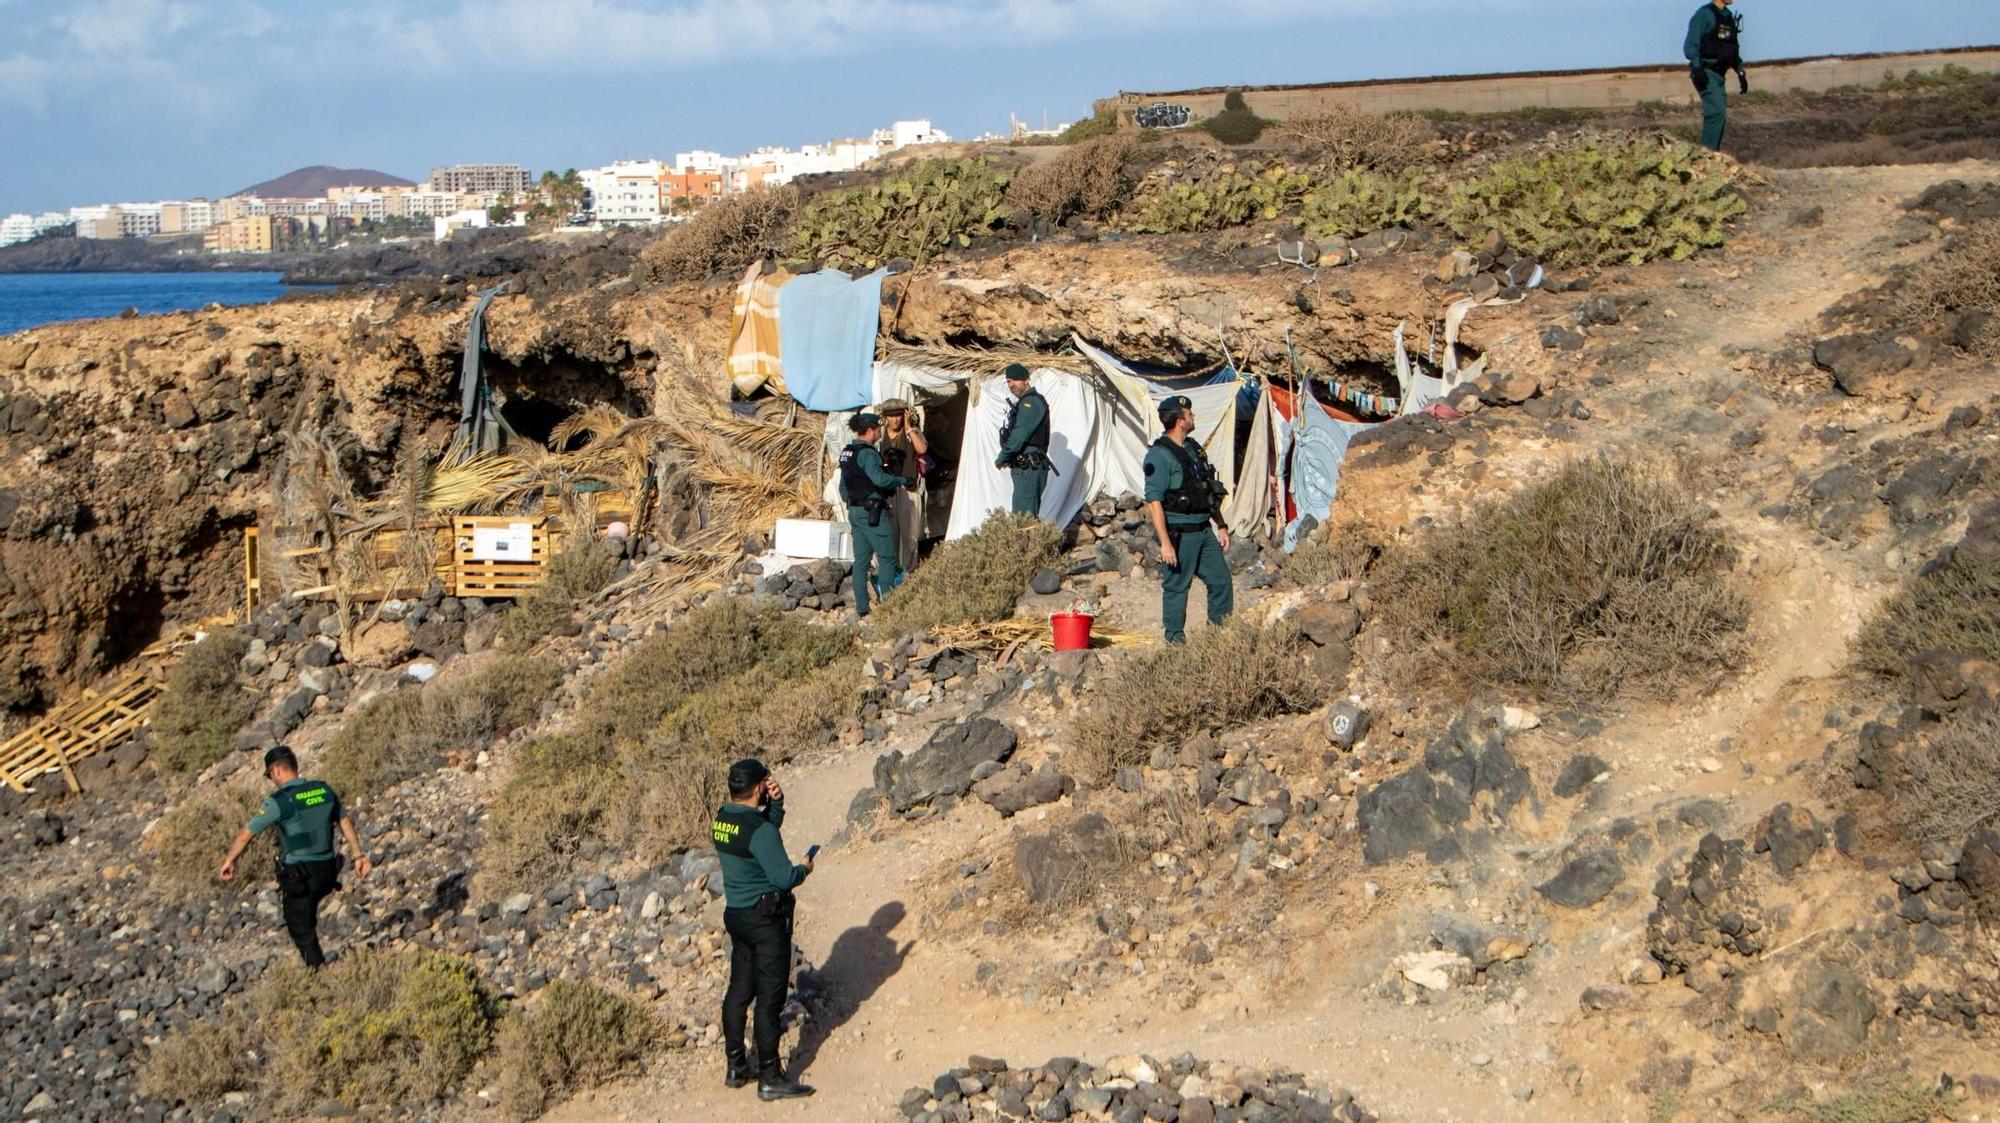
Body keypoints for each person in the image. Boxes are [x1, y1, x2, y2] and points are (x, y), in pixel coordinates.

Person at [712, 758, 815, 1101]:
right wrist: (804, 868)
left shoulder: (722, 820)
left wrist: (776, 805)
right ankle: (770, 1076)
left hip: (737, 916)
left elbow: (757, 838)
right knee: (770, 1001)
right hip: (765, 920)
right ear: (757, 787)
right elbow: (783, 876)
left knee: (739, 991)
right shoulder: (760, 830)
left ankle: (735, 1066)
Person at [217, 746, 373, 967]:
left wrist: (230, 860)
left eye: (270, 775)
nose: (272, 780)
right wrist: (358, 855)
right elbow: (344, 821)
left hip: (301, 876)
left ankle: (321, 979)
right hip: (329, 870)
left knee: (300, 928)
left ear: (277, 771)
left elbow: (246, 834)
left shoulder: (280, 801)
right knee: (308, 919)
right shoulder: (323, 790)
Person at [1143, 394, 1235, 644]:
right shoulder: (1159, 455)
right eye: (1189, 414)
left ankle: (1219, 637)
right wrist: (1165, 543)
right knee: (1177, 587)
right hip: (1179, 533)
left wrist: (1222, 524)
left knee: (1221, 581)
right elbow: (1155, 502)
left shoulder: (1193, 448)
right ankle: (1175, 640)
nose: (1193, 416)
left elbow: (1206, 489)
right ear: (1179, 420)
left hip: (1204, 529)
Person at [838, 412, 915, 617]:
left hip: (855, 511)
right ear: (870, 430)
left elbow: (843, 487)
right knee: (887, 558)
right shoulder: (868, 453)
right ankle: (889, 608)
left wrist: (853, 504)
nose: (881, 432)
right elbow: (879, 479)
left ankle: (862, 608)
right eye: (879, 429)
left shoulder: (847, 452)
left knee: (861, 561)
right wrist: (901, 480)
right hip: (872, 511)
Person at [874, 397, 929, 577]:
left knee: (909, 535)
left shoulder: (911, 432)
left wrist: (909, 428)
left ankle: (908, 573)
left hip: (909, 489)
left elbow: (921, 449)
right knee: (889, 533)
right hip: (888, 491)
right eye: (890, 417)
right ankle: (891, 572)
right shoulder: (880, 434)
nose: (894, 420)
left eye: (898, 416)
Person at [1685, 0, 1747, 152]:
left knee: (1719, 115)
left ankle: (1712, 153)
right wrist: (1697, 66)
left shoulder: (1728, 16)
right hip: (1706, 72)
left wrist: (1740, 71)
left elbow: (1731, 49)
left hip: (1720, 74)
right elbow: (1690, 46)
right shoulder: (1704, 14)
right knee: (1716, 112)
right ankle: (1707, 156)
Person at [995, 363, 1052, 517]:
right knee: (1025, 516)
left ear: (1026, 380)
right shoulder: (1025, 402)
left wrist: (1003, 456)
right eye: (1008, 381)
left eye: (1015, 380)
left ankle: (1028, 542)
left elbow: (1019, 436)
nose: (1011, 384)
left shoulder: (1030, 402)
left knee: (1023, 518)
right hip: (1025, 467)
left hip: (1028, 467)